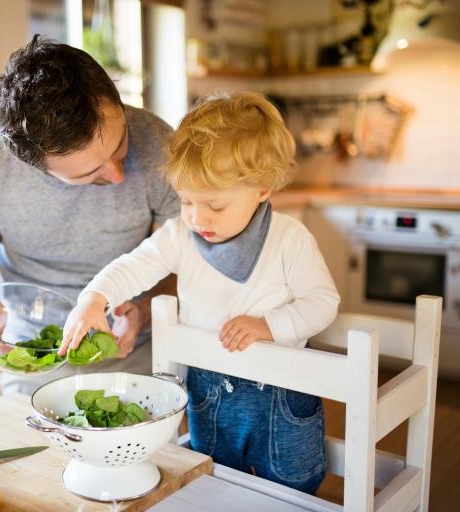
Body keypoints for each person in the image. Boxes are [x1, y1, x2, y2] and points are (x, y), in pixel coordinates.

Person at [59, 91, 340, 494]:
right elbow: (134, 266)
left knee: (292, 488)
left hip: (279, 395)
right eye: (186, 200)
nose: (197, 217)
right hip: (209, 391)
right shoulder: (180, 235)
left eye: (214, 205)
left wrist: (268, 325)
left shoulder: (289, 239)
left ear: (261, 188)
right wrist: (95, 298)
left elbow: (323, 303)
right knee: (215, 482)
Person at [0, 35, 179, 395]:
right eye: (89, 174)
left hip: (141, 352)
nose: (117, 175)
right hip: (33, 358)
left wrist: (143, 310)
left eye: (120, 145)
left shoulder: (160, 144)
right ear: (33, 165)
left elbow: (184, 261)